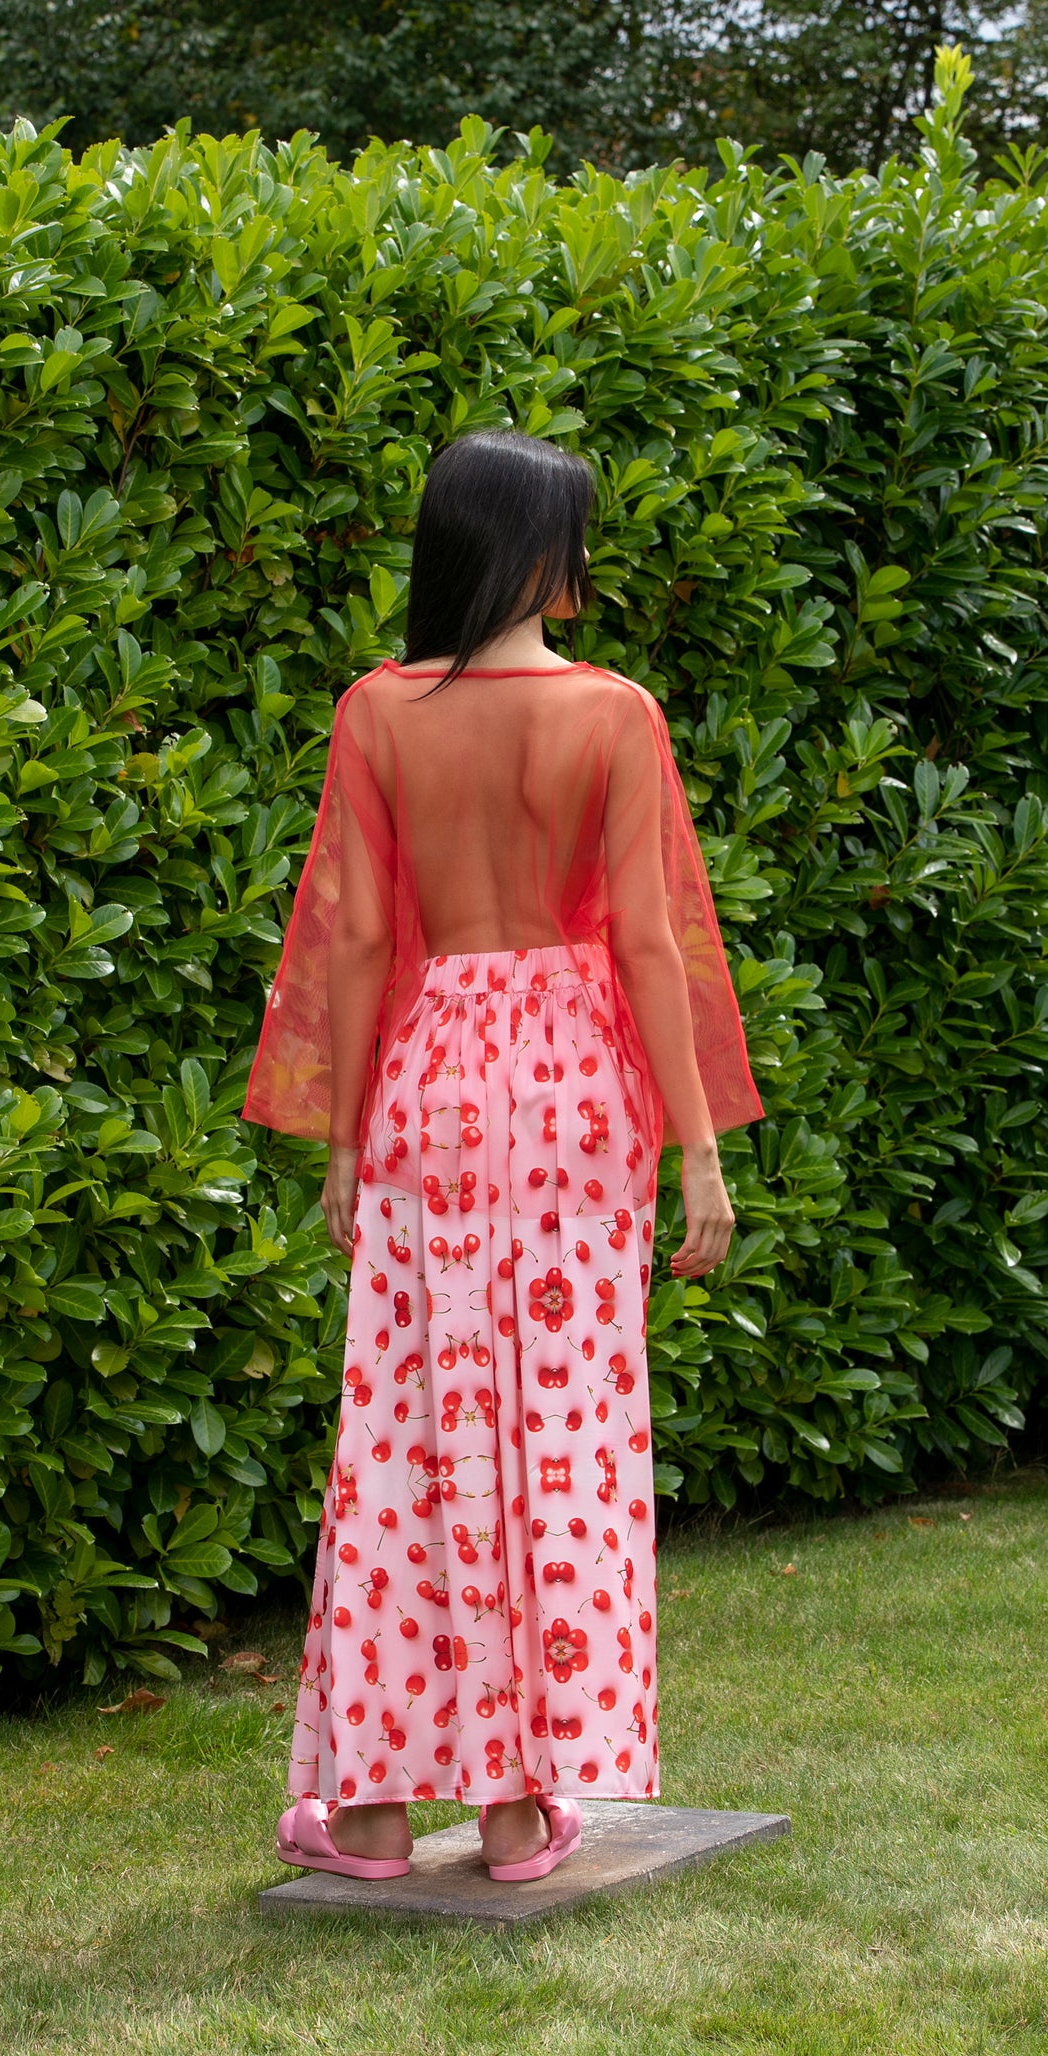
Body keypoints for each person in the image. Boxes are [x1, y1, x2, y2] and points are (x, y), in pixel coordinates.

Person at [241, 429, 762, 1884]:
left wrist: (345, 1137)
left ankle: (371, 1812)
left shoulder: (377, 712)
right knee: (563, 1429)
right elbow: (651, 942)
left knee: (408, 1430)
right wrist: (700, 1156)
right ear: (539, 554)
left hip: (430, 1084)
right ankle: (527, 1806)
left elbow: (351, 939)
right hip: (580, 1089)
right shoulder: (613, 713)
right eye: (576, 536)